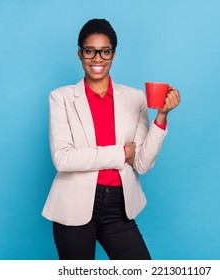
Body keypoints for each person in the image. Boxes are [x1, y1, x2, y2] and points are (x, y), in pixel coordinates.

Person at [42, 18, 180, 260]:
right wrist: (121, 154)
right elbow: (63, 159)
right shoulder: (60, 97)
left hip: (119, 207)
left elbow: (142, 164)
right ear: (79, 54)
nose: (97, 59)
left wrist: (161, 116)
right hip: (73, 206)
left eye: (105, 52)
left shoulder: (136, 98)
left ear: (113, 54)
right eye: (90, 51)